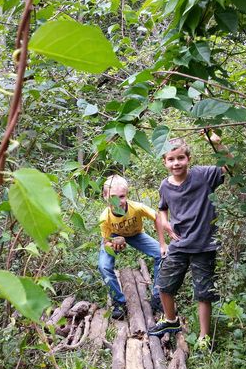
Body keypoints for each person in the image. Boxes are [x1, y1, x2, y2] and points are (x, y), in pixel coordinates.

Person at [148, 131, 231, 348]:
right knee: (164, 285)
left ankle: (204, 337)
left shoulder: (203, 175)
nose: (176, 163)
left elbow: (230, 167)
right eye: (171, 159)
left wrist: (218, 143)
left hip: (204, 245)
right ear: (164, 162)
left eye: (180, 158)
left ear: (189, 159)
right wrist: (165, 224)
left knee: (203, 293)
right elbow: (162, 209)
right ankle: (171, 320)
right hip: (179, 244)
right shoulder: (165, 186)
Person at [98, 174, 165, 319]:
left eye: (122, 196)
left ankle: (158, 296)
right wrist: (114, 246)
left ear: (127, 195)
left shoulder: (136, 208)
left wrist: (162, 243)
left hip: (136, 235)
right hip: (115, 236)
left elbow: (157, 217)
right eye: (113, 197)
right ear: (105, 196)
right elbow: (106, 241)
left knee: (163, 253)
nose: (118, 202)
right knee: (103, 266)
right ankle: (118, 302)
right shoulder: (105, 217)